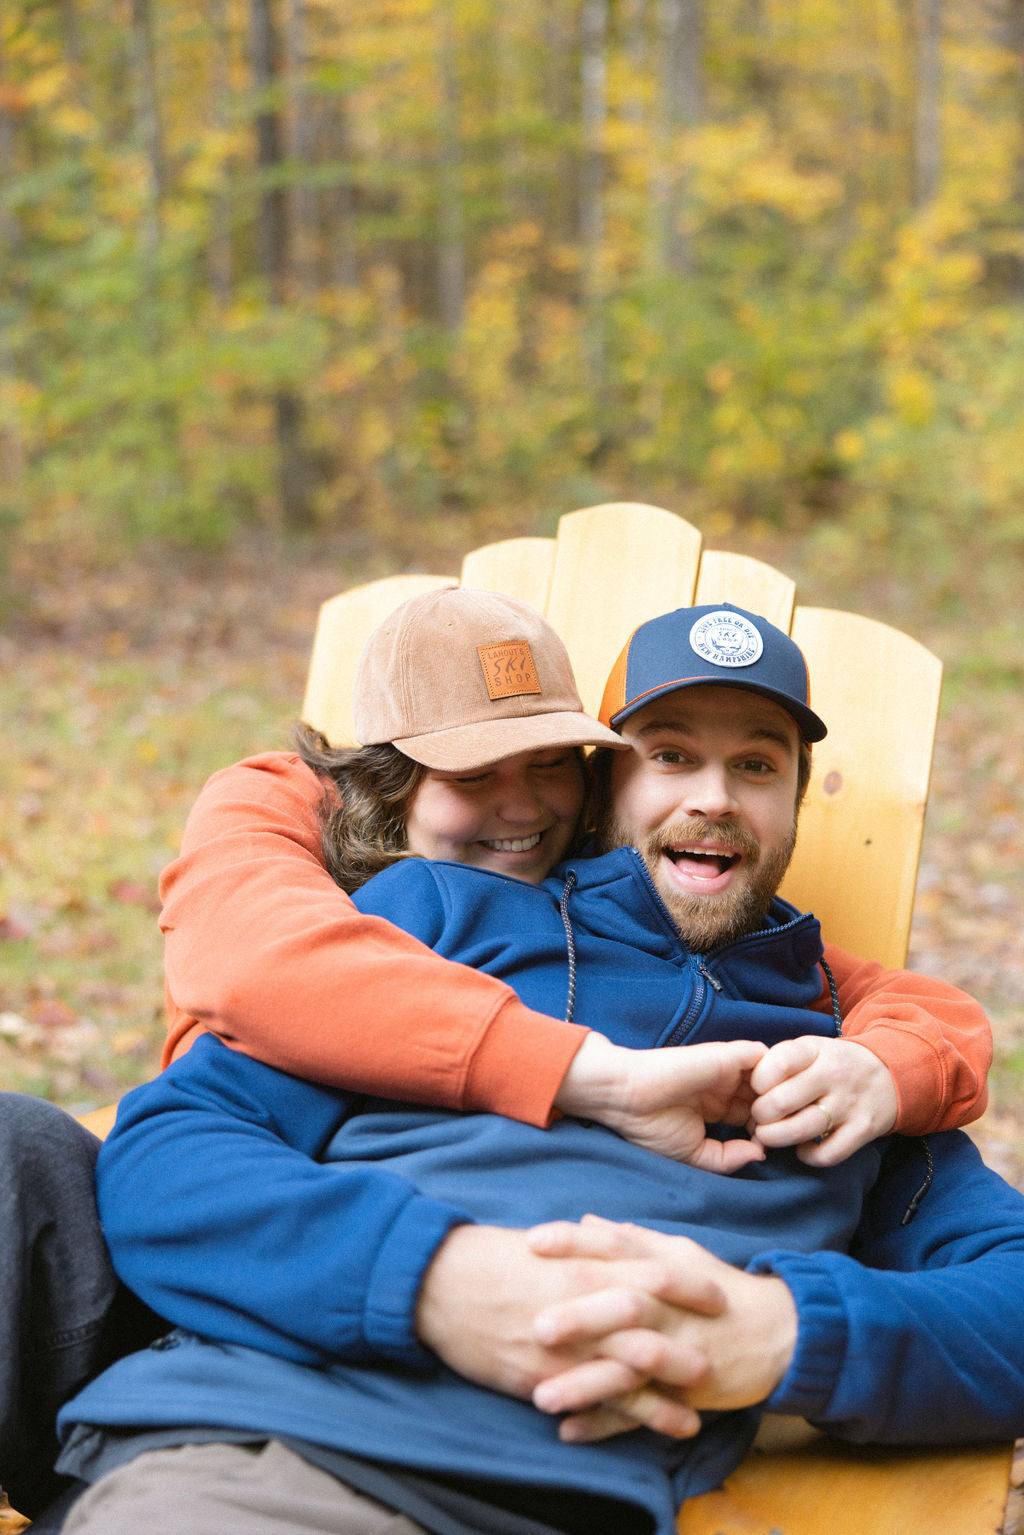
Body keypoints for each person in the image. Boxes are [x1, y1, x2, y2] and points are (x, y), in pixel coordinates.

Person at [48, 597, 1024, 1535]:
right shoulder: (434, 916)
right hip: (270, 1442)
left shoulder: (839, 1055)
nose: (712, 797)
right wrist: (434, 1277)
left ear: (795, 804)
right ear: (609, 789)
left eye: (757, 765)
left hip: (551, 1492)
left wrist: (779, 1333)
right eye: (670, 754)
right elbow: (169, 1153)